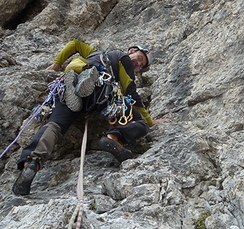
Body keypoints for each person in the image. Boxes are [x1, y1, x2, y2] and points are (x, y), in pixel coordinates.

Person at [12, 39, 169, 196]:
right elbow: (130, 91)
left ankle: (32, 162)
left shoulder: (94, 52)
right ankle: (113, 137)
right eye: (139, 58)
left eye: (141, 66)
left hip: (68, 89)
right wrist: (150, 121)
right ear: (131, 50)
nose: (137, 64)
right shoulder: (124, 58)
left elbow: (74, 44)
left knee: (55, 125)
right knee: (139, 122)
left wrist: (57, 64)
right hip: (102, 90)